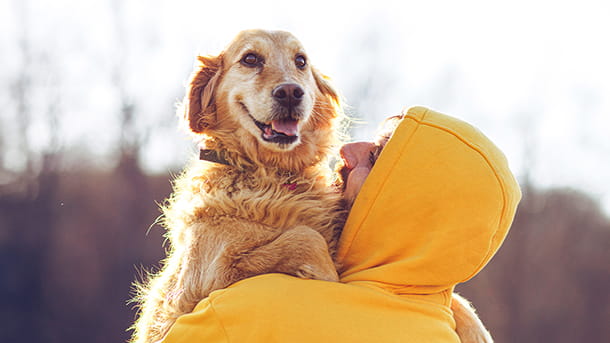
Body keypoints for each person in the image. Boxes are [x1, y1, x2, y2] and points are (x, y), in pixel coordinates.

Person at [159, 106, 521, 343]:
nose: (347, 151)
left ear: (405, 198)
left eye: (375, 155)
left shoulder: (254, 313)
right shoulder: (449, 332)